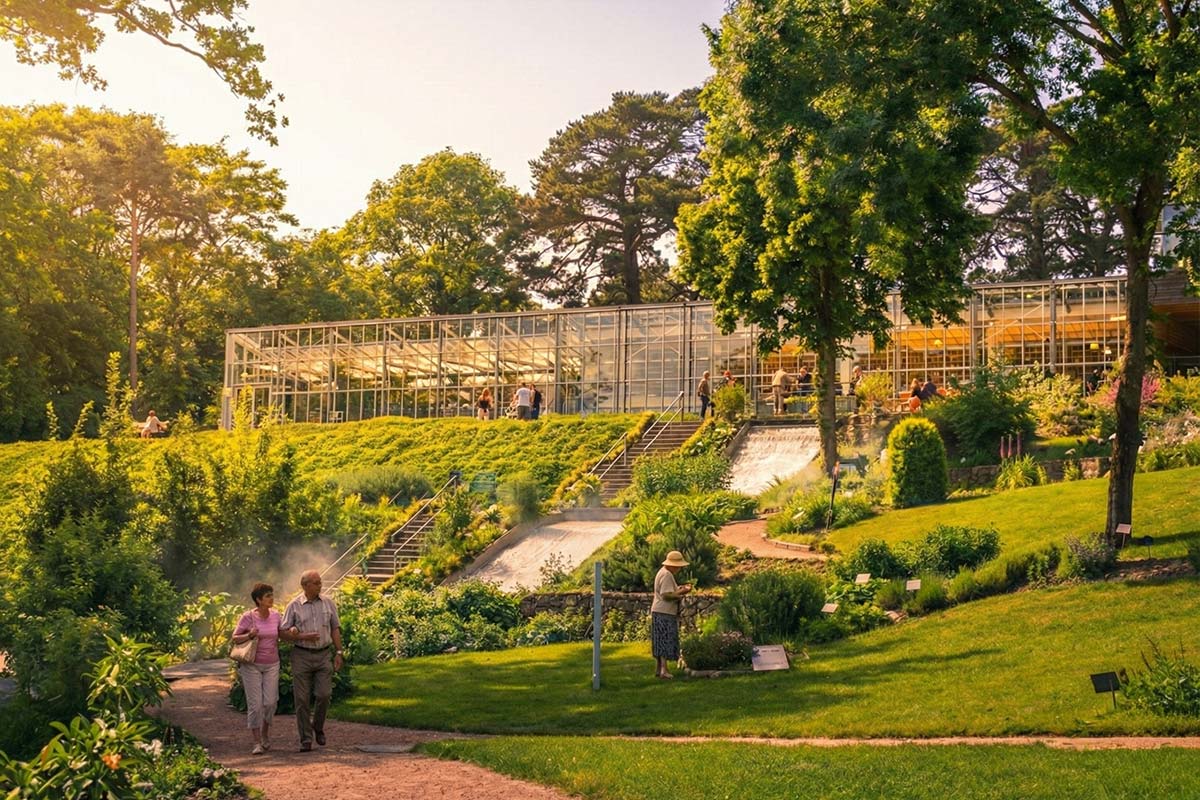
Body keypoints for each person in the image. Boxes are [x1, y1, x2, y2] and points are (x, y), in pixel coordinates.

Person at [231, 583, 314, 754]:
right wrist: (249, 635)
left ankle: (265, 734)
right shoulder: (248, 617)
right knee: (255, 705)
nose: (271, 598)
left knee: (270, 702)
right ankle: (256, 742)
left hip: (272, 664)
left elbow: (282, 633)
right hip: (251, 664)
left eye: (271, 595)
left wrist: (294, 631)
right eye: (267, 596)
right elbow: (235, 638)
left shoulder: (276, 616)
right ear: (258, 600)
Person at [281, 570, 344, 752]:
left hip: (324, 654)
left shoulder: (328, 603)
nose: (320, 585)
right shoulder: (294, 606)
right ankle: (306, 739)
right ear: (305, 586)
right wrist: (301, 635)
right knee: (301, 699)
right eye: (315, 582)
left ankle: (318, 727)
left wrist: (339, 652)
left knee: (324, 694)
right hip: (301, 655)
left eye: (320, 582)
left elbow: (335, 629)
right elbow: (282, 633)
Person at [651, 550, 692, 680]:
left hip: (659, 610)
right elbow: (666, 595)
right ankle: (664, 670)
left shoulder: (662, 572)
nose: (679, 569)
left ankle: (659, 669)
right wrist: (683, 592)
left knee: (659, 640)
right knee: (665, 639)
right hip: (665, 611)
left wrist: (678, 589)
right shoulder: (667, 575)